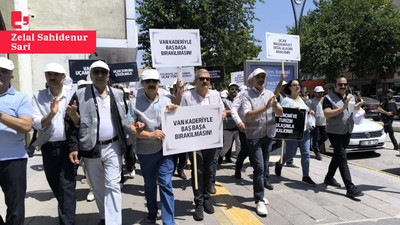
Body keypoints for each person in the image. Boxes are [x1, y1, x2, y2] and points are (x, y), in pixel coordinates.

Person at [67, 60, 135, 225]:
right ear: (90, 75)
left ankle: (113, 222)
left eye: (103, 72)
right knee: (97, 187)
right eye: (95, 72)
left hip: (113, 146)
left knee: (113, 185)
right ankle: (104, 216)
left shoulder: (117, 94)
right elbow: (71, 123)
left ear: (108, 76)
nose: (99, 75)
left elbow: (125, 119)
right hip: (91, 148)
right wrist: (73, 147)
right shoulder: (80, 95)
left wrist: (133, 131)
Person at [128, 69, 177, 224]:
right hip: (146, 151)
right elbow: (131, 129)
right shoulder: (134, 102)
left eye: (154, 81)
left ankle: (169, 221)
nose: (151, 84)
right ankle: (152, 211)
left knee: (166, 184)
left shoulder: (166, 100)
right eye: (148, 81)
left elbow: (177, 122)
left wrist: (175, 110)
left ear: (159, 83)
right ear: (142, 84)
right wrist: (149, 134)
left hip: (166, 150)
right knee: (149, 184)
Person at [31, 63, 78, 225]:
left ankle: (67, 221)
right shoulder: (38, 96)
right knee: (56, 186)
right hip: (48, 148)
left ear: (63, 77)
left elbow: (79, 122)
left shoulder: (73, 95)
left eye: (56, 74)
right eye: (48, 74)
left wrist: (74, 116)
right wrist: (52, 113)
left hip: (68, 148)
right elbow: (37, 123)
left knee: (67, 186)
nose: (52, 77)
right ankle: (68, 210)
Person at [180, 68, 224, 221]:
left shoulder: (216, 95)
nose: (205, 81)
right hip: (195, 142)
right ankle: (198, 202)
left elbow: (222, 112)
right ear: (195, 81)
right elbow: (182, 117)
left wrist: (222, 114)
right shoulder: (187, 96)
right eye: (202, 79)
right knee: (197, 171)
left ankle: (206, 198)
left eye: (207, 79)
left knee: (209, 170)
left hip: (212, 140)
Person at [242, 68, 283, 216]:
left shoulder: (271, 94)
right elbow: (247, 115)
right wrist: (265, 107)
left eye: (263, 77)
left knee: (265, 166)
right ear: (252, 80)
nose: (261, 79)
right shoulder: (246, 95)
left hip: (268, 135)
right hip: (254, 137)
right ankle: (259, 199)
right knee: (259, 167)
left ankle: (258, 193)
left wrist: (275, 106)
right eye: (259, 77)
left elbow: (280, 113)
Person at [0, 57, 33, 225]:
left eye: (4, 72)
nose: (0, 74)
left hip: (13, 160)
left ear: (11, 77)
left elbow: (26, 125)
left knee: (15, 207)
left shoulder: (21, 98)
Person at [322, 75, 364, 198]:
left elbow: (350, 111)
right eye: (340, 84)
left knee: (337, 156)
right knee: (342, 158)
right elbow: (327, 113)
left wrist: (357, 108)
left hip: (347, 131)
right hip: (335, 132)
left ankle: (329, 178)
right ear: (335, 86)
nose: (343, 87)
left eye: (345, 84)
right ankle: (350, 188)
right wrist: (343, 107)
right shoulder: (328, 98)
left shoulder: (350, 97)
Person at [275, 79, 317, 187]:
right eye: (294, 85)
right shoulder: (286, 101)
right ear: (289, 87)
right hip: (293, 133)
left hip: (305, 131)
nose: (297, 86)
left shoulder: (302, 99)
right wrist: (292, 111)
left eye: (298, 85)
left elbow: (304, 113)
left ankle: (306, 176)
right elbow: (281, 115)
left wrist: (310, 112)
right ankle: (279, 163)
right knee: (291, 154)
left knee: (306, 154)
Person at [231, 76, 253, 179]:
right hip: (244, 127)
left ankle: (262, 176)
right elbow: (234, 109)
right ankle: (238, 168)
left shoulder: (261, 93)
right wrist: (239, 122)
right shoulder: (241, 94)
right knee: (245, 150)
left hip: (258, 128)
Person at [218, 83, 240, 165]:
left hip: (238, 127)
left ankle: (239, 163)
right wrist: (233, 112)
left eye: (236, 89)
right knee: (227, 146)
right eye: (232, 89)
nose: (234, 91)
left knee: (239, 146)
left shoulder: (240, 100)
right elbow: (222, 111)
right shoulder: (224, 101)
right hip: (227, 127)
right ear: (228, 91)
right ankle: (221, 155)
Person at [308, 86, 328, 160]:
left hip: (324, 122)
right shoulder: (311, 101)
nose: (320, 94)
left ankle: (316, 146)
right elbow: (308, 112)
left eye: (321, 92)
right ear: (315, 93)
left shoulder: (325, 100)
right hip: (315, 123)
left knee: (325, 136)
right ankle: (317, 153)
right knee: (315, 138)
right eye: (319, 93)